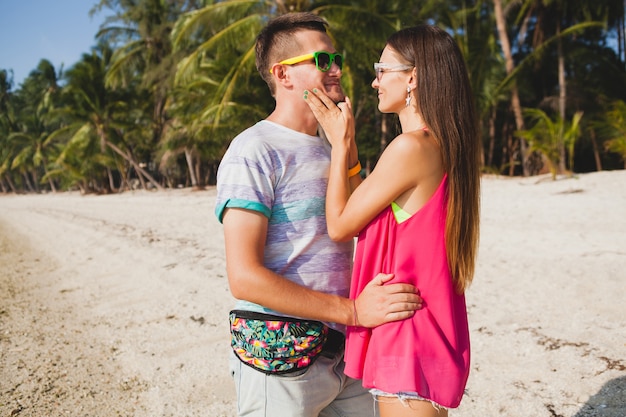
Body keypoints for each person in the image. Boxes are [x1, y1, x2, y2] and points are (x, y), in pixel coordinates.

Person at [214, 13, 423, 417]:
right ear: (283, 74)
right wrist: (354, 311)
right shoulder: (254, 150)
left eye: (338, 58)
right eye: (323, 60)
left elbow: (363, 226)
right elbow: (244, 277)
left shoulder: (333, 151)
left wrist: (346, 145)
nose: (338, 69)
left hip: (348, 353)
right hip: (281, 360)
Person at [304, 25, 481, 417]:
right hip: (420, 328)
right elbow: (363, 203)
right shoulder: (437, 144)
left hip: (407, 332)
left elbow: (339, 224)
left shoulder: (411, 147)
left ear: (413, 77)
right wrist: (347, 149)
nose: (374, 81)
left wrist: (338, 145)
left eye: (382, 70)